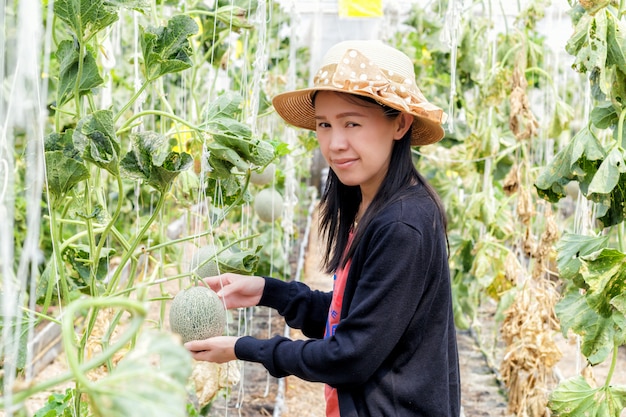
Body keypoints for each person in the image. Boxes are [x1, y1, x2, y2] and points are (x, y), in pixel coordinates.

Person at [185, 40, 461, 417]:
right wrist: (268, 291)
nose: (335, 143)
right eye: (324, 125)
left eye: (352, 123)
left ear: (400, 122)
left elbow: (348, 356)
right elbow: (348, 316)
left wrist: (243, 347)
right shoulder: (374, 206)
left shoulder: (401, 224)